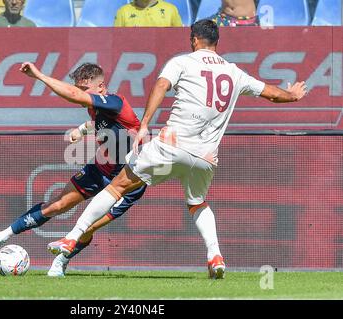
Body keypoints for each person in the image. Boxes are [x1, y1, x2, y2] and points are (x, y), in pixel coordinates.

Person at [47, 19, 308, 279]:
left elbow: (161, 85)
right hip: (205, 157)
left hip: (170, 147)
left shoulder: (182, 62)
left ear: (194, 39)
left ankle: (72, 237)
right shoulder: (234, 72)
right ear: (217, 41)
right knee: (197, 203)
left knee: (117, 186)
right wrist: (293, 95)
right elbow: (272, 93)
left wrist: (145, 124)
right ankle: (215, 255)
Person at [0, 62, 147, 277]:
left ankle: (61, 260)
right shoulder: (97, 108)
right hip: (101, 168)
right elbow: (100, 122)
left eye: (85, 90)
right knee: (56, 205)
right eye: (79, 89)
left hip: (129, 181)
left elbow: (77, 97)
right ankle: (1, 236)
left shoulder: (116, 102)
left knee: (89, 226)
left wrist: (39, 76)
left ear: (101, 87)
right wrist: (82, 129)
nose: (81, 95)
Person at [114, 0, 183, 27]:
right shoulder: (123, 11)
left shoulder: (171, 9)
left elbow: (180, 39)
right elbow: (116, 41)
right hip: (134, 57)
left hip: (166, 56)